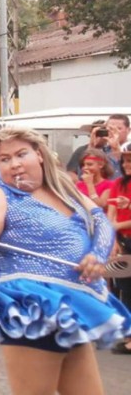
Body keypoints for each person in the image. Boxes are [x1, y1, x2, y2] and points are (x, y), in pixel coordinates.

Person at [0, 127, 131, 395]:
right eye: (5, 159)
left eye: (21, 154)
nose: (14, 164)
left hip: (72, 304)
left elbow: (100, 220)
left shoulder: (63, 189)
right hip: (31, 306)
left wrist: (97, 254)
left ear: (39, 155)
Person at [106, 141, 131, 355]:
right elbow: (111, 213)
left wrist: (118, 225)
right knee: (124, 288)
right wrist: (113, 239)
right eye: (125, 160)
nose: (127, 164)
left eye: (130, 160)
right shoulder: (119, 184)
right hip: (123, 243)